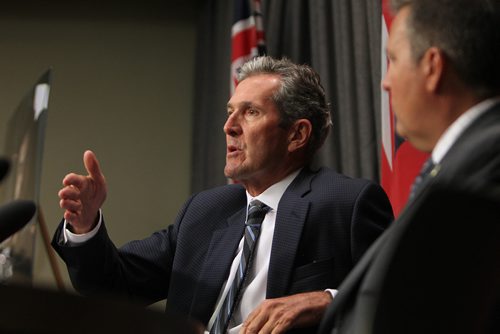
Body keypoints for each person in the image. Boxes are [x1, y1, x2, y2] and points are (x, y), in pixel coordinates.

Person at [52, 56, 393, 333]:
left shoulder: (346, 203)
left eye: (251, 112)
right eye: (230, 111)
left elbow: (400, 300)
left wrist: (328, 299)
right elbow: (112, 286)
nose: (229, 126)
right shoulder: (205, 211)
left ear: (297, 135)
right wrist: (85, 225)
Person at [318, 0, 500, 333]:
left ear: (432, 66)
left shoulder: (486, 164)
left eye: (393, 60)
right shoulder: (459, 163)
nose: (385, 83)